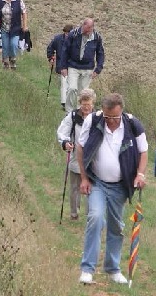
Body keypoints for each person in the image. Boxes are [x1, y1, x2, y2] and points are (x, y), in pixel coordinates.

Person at [77, 93, 148, 284]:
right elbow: (81, 148)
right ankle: (87, 269)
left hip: (120, 186)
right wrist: (84, 178)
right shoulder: (93, 121)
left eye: (115, 118)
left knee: (116, 227)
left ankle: (113, 269)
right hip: (96, 181)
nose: (111, 122)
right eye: (107, 117)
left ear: (121, 111)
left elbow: (143, 151)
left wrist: (140, 174)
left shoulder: (134, 125)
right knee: (95, 217)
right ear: (103, 111)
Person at [56, 88, 96, 220]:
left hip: (93, 160)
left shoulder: (98, 119)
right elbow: (63, 131)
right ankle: (74, 213)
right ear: (80, 103)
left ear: (93, 104)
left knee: (92, 188)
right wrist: (65, 143)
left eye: (88, 105)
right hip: (75, 157)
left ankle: (90, 214)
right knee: (74, 187)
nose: (86, 107)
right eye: (83, 104)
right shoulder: (73, 117)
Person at [59, 18, 104, 112]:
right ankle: (70, 112)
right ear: (83, 25)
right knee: (72, 88)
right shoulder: (73, 34)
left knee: (83, 92)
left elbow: (100, 53)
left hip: (88, 68)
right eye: (85, 29)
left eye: (89, 30)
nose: (87, 32)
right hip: (73, 66)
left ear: (92, 28)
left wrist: (98, 69)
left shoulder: (97, 37)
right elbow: (65, 50)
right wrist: (63, 67)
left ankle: (80, 112)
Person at [0, 0, 27, 70]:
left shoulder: (18, 0)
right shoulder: (0, 1)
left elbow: (24, 12)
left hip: (15, 28)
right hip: (3, 27)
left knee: (13, 45)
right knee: (4, 45)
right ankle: (5, 63)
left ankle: (13, 59)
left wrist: (24, 25)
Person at [47, 24, 73, 110]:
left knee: (71, 86)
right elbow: (50, 48)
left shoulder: (75, 40)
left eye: (69, 33)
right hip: (62, 65)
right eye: (66, 33)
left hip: (73, 66)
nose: (67, 35)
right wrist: (51, 57)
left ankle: (70, 102)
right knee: (64, 83)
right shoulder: (58, 39)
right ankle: (64, 103)